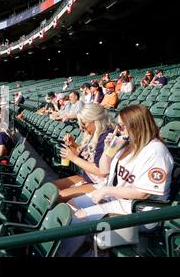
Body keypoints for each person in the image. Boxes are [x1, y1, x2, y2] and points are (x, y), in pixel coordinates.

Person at [59, 105, 174, 256]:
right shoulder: (127, 143)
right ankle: (88, 247)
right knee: (70, 205)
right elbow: (104, 170)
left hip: (140, 211)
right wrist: (108, 149)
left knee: (78, 219)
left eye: (121, 125)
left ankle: (66, 253)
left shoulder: (156, 152)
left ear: (135, 125)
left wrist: (107, 190)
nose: (117, 129)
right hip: (117, 199)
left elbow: (143, 194)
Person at [54, 104, 115, 202]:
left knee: (59, 196)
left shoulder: (107, 137)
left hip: (101, 183)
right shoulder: (93, 133)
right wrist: (73, 145)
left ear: (95, 121)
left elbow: (101, 171)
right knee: (51, 188)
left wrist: (73, 158)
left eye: (84, 123)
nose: (82, 127)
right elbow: (85, 158)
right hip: (88, 177)